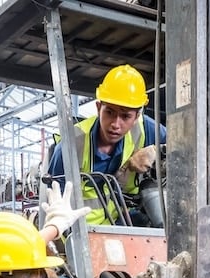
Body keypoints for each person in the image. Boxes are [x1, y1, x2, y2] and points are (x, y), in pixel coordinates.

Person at [47, 64, 166, 226]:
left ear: (137, 116)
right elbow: (56, 205)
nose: (115, 124)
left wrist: (156, 151)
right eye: (109, 112)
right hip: (82, 233)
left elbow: (189, 146)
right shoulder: (71, 146)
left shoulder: (147, 130)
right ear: (98, 108)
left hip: (123, 224)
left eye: (125, 116)